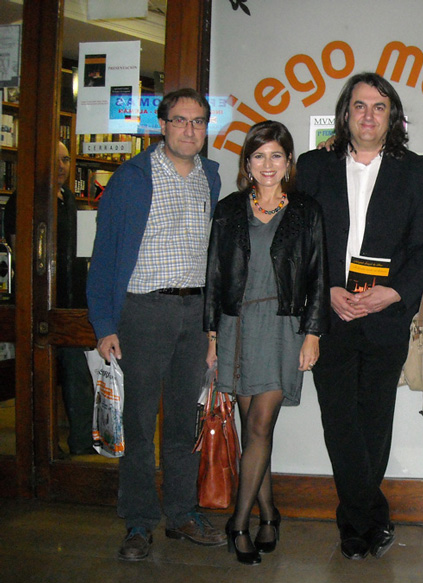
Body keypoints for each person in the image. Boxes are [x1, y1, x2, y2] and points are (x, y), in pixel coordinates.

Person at [295, 72, 423, 560]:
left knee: (374, 421)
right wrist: (325, 289)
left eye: (379, 106)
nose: (369, 115)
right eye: (359, 106)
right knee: (339, 421)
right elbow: (300, 240)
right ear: (345, 114)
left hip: (385, 317)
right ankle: (367, 518)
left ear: (392, 116)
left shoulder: (416, 171)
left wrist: (392, 294)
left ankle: (357, 523)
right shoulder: (313, 166)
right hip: (329, 315)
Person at [87, 88, 227, 561]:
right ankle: (139, 522)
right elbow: (104, 255)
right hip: (142, 313)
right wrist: (104, 325)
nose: (190, 129)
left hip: (195, 314)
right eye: (180, 120)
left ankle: (182, 514)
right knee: (140, 423)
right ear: (162, 125)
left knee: (185, 422)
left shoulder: (211, 176)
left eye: (198, 121)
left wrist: (213, 328)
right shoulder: (131, 178)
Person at [204, 120, 329, 565]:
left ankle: (238, 523)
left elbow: (319, 276)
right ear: (247, 163)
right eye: (259, 155)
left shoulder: (306, 210)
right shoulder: (229, 209)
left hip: (283, 326)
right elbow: (214, 275)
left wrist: (313, 333)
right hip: (237, 326)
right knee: (254, 430)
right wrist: (212, 336)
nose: (268, 164)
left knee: (259, 426)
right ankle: (270, 514)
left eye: (276, 155)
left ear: (289, 161)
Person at [4, 141, 93, 455]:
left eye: (66, 159)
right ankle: (42, 449)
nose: (61, 166)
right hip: (40, 304)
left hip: (72, 303)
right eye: (55, 160)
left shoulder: (69, 198)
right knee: (39, 378)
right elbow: (21, 252)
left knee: (78, 375)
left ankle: (82, 442)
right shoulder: (24, 199)